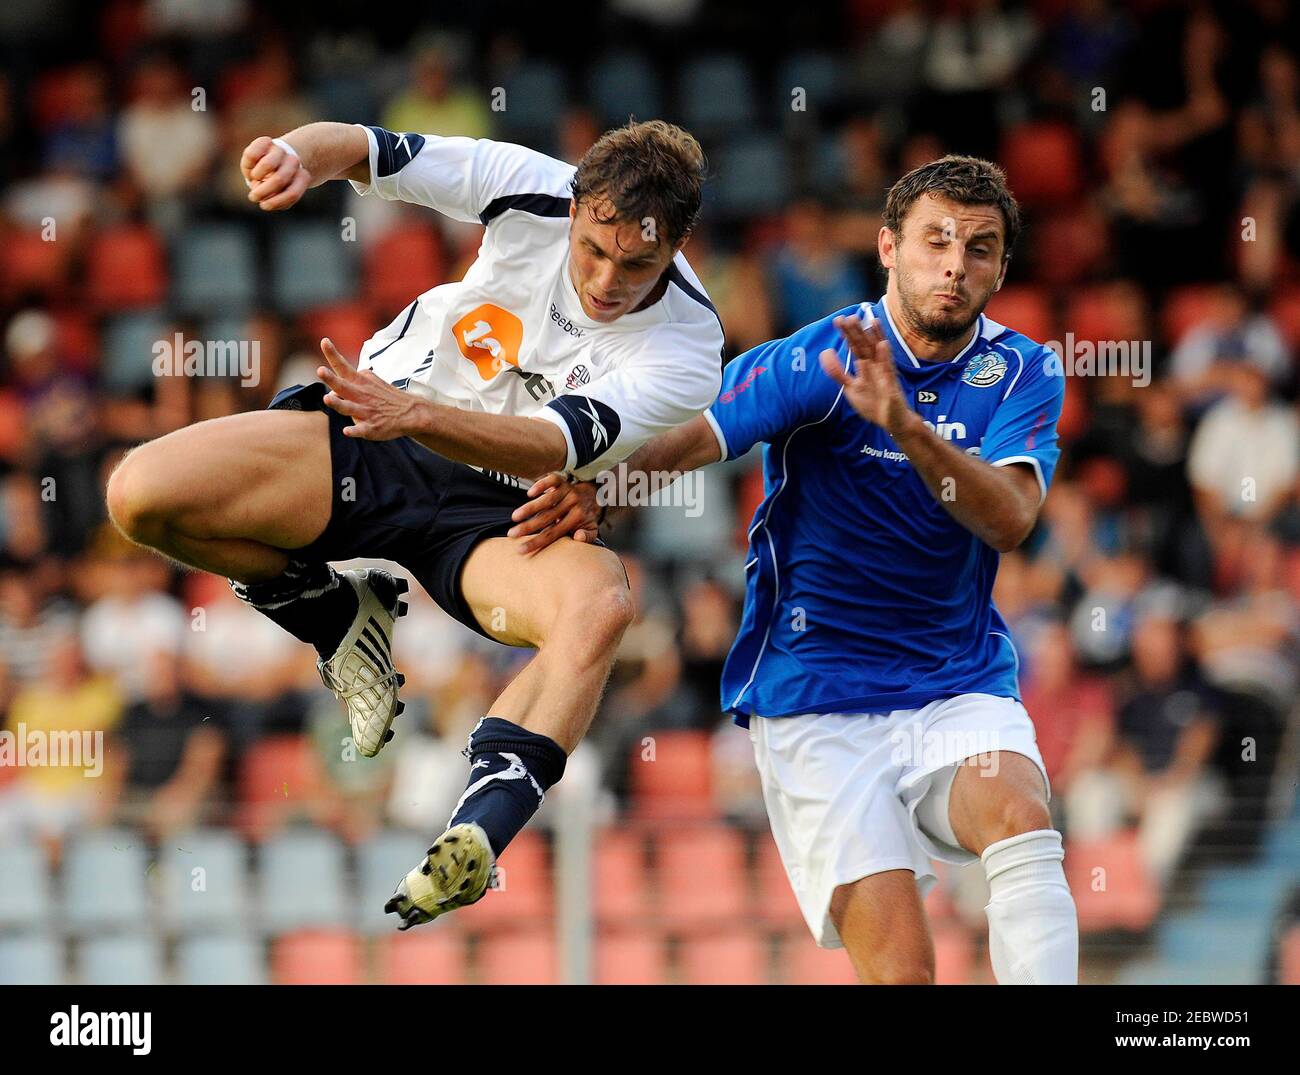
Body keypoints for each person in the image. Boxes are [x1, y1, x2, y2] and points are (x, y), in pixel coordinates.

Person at [105, 118, 723, 928]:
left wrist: (418, 416)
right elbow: (367, 147)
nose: (607, 280)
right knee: (138, 493)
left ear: (678, 244)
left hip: (503, 508)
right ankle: (329, 610)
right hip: (374, 436)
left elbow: (548, 441)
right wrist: (297, 155)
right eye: (592, 250)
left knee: (602, 601)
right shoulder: (528, 183)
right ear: (574, 209)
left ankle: (477, 830)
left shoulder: (690, 341)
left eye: (636, 264)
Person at [513, 156, 1079, 984]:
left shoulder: (1024, 371)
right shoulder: (818, 357)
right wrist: (601, 493)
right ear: (888, 247)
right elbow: (702, 436)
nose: (955, 264)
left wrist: (906, 427)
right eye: (936, 241)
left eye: (981, 249)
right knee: (904, 974)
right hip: (816, 702)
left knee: (1022, 814)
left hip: (954, 682)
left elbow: (1011, 518)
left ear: (1001, 268)